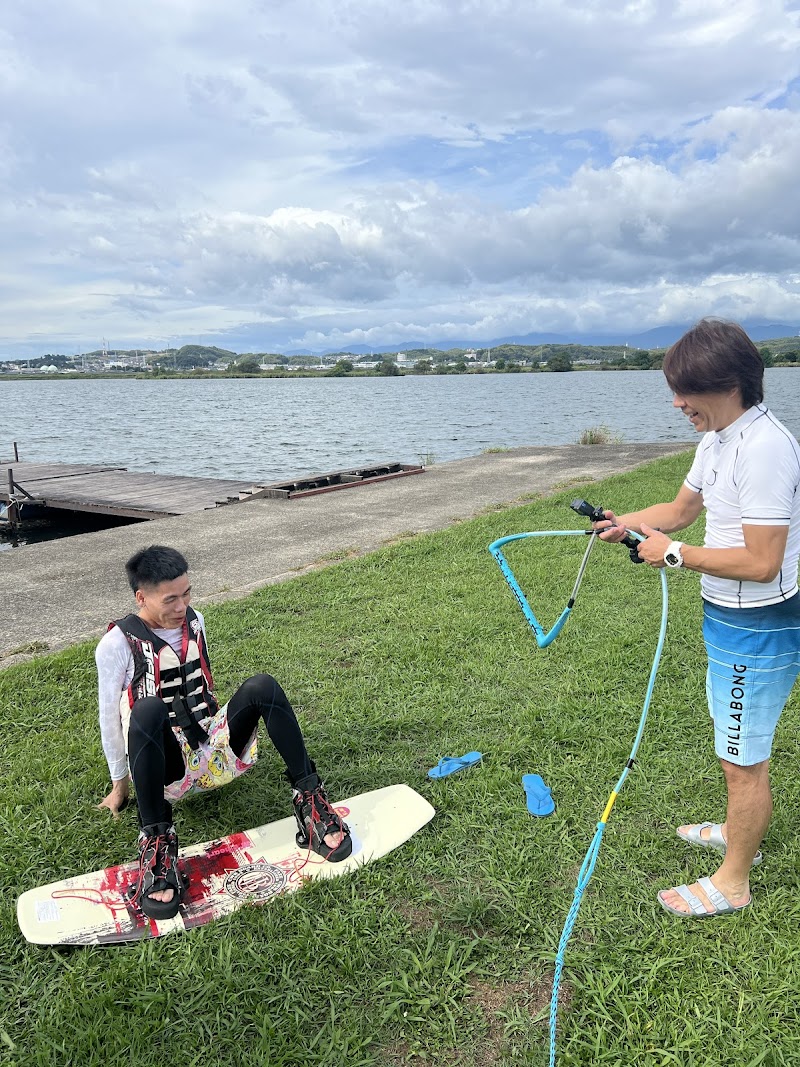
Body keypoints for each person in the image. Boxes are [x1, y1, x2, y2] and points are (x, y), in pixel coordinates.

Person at [595, 319, 800, 918]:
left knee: (742, 758)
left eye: (686, 391)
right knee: (733, 745)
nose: (677, 403)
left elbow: (762, 563)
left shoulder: (765, 449)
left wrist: (674, 554)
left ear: (730, 383)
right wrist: (628, 521)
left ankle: (734, 882)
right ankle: (741, 835)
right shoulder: (719, 437)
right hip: (727, 616)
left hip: (759, 625)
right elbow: (682, 509)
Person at [96, 544, 351, 919]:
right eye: (170, 599)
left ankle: (311, 802)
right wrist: (120, 785)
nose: (181, 607)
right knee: (147, 708)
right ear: (141, 597)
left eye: (186, 594)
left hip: (213, 750)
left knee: (263, 685)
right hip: (164, 765)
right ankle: (156, 847)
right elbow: (108, 717)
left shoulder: (195, 621)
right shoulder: (116, 644)